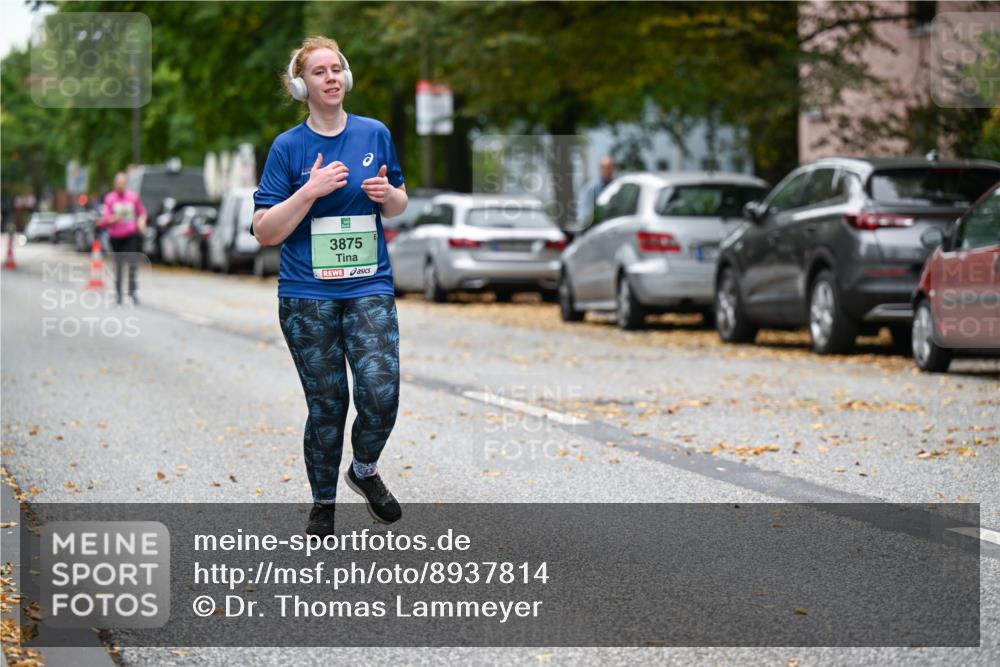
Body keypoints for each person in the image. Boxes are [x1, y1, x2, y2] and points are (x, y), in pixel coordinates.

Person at [251, 36, 408, 536]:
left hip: (369, 286)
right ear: (302, 85)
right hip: (307, 294)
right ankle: (323, 503)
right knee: (329, 404)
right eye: (319, 71)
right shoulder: (288, 148)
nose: (332, 77)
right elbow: (264, 230)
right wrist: (310, 190)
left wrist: (389, 196)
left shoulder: (374, 133)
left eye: (337, 68)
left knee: (381, 392)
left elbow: (400, 202)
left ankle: (364, 469)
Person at [97, 172, 147, 305]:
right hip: (116, 237)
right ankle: (119, 294)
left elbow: (142, 212)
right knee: (119, 266)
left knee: (132, 263)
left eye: (123, 183)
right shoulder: (110, 199)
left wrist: (142, 221)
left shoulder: (133, 198)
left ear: (126, 184)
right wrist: (114, 218)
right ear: (115, 184)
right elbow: (104, 220)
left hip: (131, 235)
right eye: (118, 183)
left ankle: (132, 292)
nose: (120, 186)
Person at [576, 155, 616, 229]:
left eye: (610, 167)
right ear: (600, 169)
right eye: (605, 168)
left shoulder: (617, 188)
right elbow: (583, 217)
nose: (608, 171)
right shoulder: (590, 190)